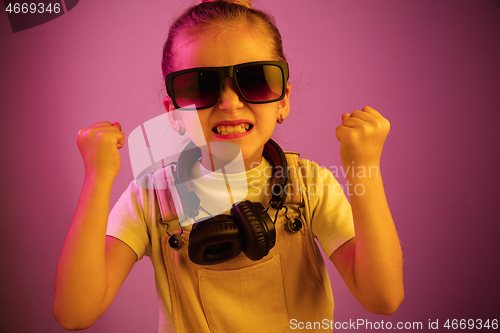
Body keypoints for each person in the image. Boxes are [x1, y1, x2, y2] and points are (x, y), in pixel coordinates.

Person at [53, 0, 404, 332]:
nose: (229, 101)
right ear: (174, 113)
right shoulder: (150, 198)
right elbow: (74, 312)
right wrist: (97, 179)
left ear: (283, 101)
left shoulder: (311, 186)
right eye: (201, 86)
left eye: (254, 79)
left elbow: (382, 297)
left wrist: (365, 168)